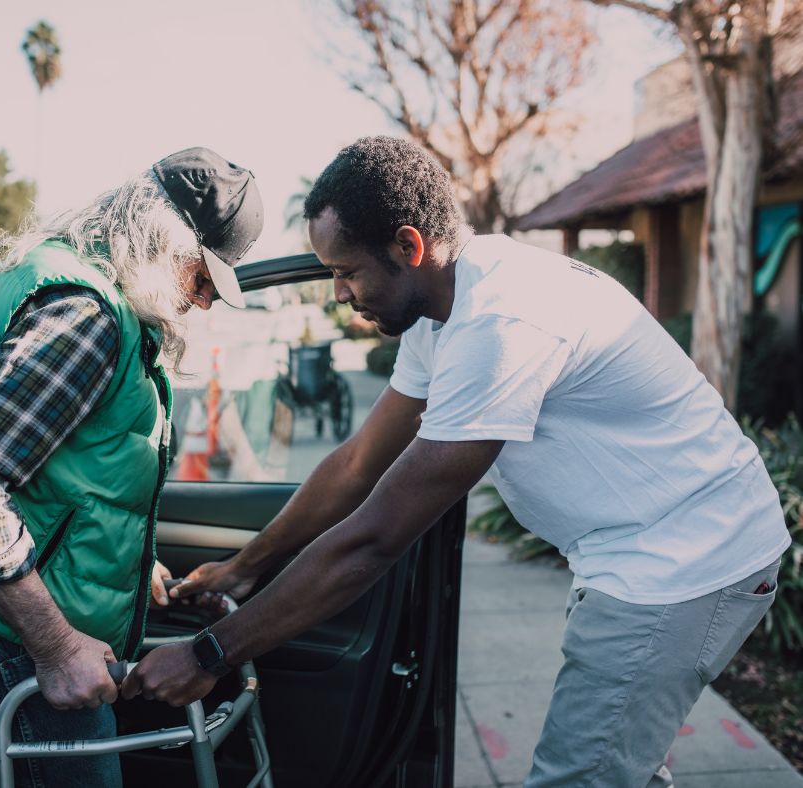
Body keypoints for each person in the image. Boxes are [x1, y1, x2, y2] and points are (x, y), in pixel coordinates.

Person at [122, 137, 790, 788]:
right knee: (619, 763)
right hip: (636, 552)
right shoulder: (443, 308)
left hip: (687, 562)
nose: (339, 293)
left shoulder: (500, 323)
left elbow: (375, 538)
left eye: (347, 271)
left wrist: (212, 653)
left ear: (408, 246)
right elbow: (358, 465)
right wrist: (246, 566)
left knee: (580, 774)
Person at [0, 147, 263, 788]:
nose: (202, 302)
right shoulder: (87, 316)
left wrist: (126, 564)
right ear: (160, 240)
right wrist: (57, 647)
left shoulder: (60, 280)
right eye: (202, 276)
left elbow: (59, 470)